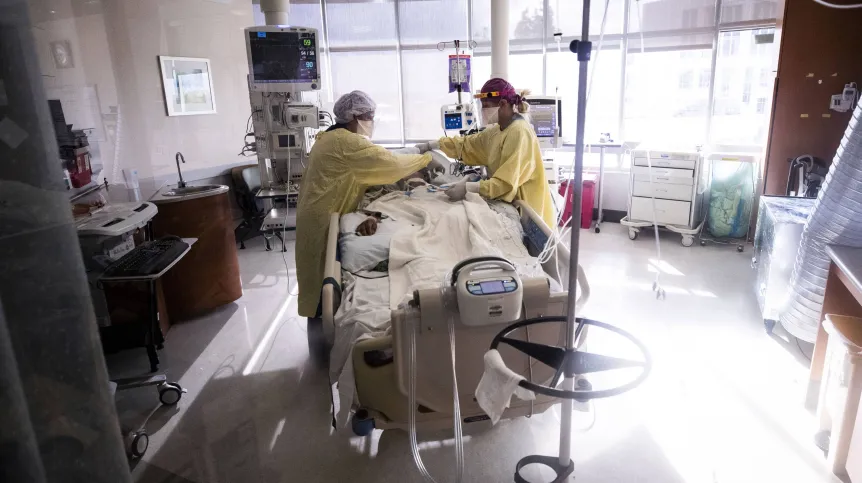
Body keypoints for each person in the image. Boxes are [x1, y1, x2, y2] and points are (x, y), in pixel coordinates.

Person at [295, 90, 449, 318]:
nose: (371, 121)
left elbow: (380, 156)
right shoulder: (346, 142)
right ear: (353, 116)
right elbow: (389, 163)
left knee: (319, 276)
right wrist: (425, 157)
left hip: (322, 208)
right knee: (319, 277)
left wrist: (418, 153)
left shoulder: (330, 137)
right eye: (368, 116)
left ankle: (320, 313)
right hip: (323, 216)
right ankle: (320, 316)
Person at [415, 78, 555, 228]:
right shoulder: (497, 131)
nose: (483, 111)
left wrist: (469, 188)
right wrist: (433, 145)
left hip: (528, 211)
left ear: (502, 104)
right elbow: (467, 144)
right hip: (510, 204)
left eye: (486, 106)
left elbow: (505, 184)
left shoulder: (519, 132)